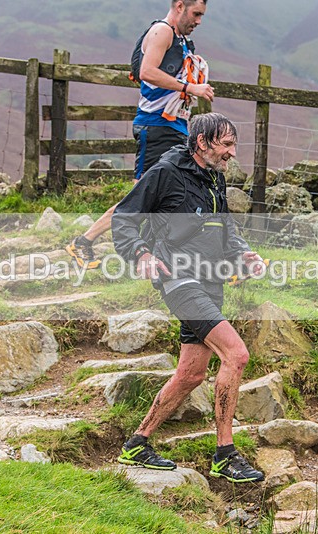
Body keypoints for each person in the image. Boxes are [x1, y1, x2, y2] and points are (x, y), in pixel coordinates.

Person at [111, 113, 265, 483]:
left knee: (191, 374)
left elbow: (225, 228)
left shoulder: (215, 178)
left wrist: (243, 255)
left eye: (233, 145)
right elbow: (124, 217)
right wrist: (141, 254)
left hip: (210, 282)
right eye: (226, 144)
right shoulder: (166, 172)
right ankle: (225, 454)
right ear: (202, 143)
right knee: (237, 354)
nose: (232, 152)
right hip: (178, 279)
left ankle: (137, 443)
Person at [66, 0, 214, 269]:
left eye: (202, 15)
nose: (199, 21)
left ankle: (190, 256)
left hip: (174, 127)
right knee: (141, 197)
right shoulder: (162, 32)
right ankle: (85, 242)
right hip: (156, 128)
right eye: (196, 14)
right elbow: (147, 72)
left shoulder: (180, 39)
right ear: (180, 5)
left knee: (180, 190)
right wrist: (190, 88)